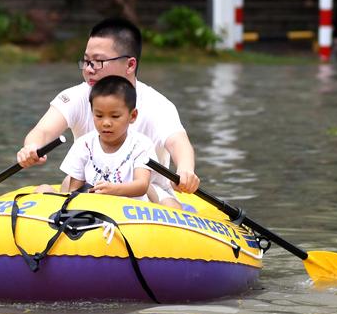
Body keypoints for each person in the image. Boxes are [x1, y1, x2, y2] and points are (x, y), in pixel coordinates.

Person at [17, 16, 200, 196]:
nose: (89, 69)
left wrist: (185, 170)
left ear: (130, 64)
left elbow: (178, 142)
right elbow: (43, 131)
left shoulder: (158, 105)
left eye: (98, 62)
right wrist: (32, 147)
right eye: (86, 61)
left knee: (162, 198)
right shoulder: (75, 96)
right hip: (91, 187)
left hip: (147, 193)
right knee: (66, 183)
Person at [34, 76, 182, 208]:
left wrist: (113, 190)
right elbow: (74, 188)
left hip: (131, 208)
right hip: (92, 204)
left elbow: (142, 185)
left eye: (115, 116)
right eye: (99, 115)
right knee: (42, 190)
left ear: (132, 116)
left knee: (169, 204)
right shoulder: (84, 144)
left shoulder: (141, 144)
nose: (106, 123)